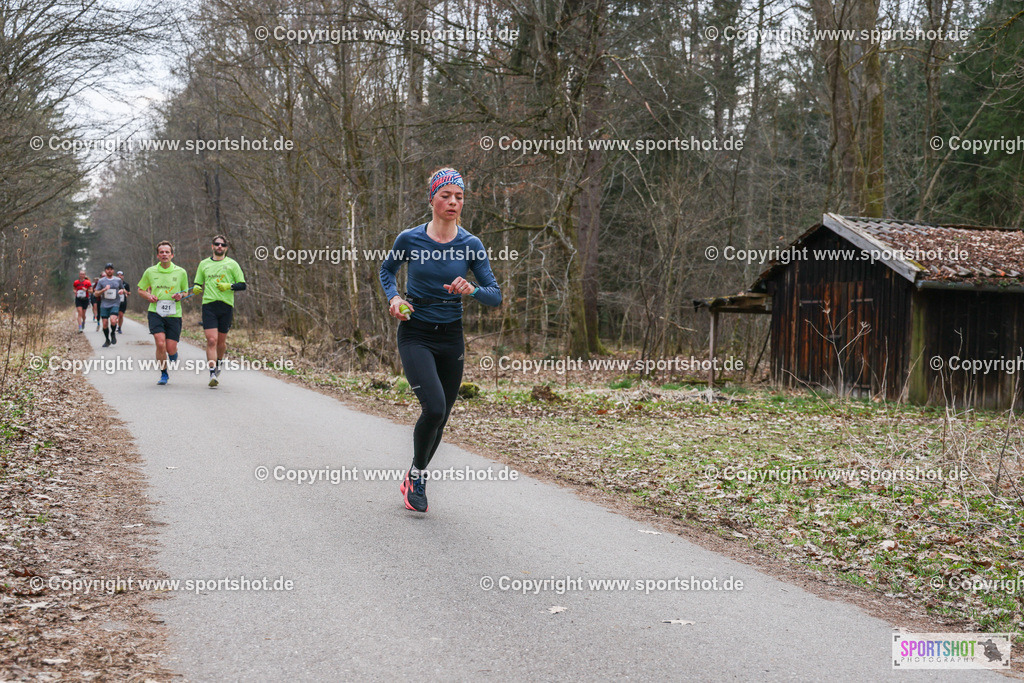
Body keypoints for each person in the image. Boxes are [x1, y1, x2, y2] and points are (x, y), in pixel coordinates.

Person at [379, 167, 502, 513]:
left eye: (459, 196)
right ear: (431, 198)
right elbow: (387, 270)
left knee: (442, 416)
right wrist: (394, 299)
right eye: (446, 195)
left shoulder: (471, 244)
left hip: (451, 338)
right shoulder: (410, 239)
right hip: (416, 333)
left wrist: (473, 288)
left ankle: (415, 474)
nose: (453, 202)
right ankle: (417, 477)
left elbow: (495, 295)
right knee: (432, 407)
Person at [193, 235, 246, 387]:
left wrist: (229, 286)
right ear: (212, 246)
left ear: (226, 248)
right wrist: (197, 288)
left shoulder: (232, 264)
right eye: (217, 244)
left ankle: (219, 362)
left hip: (226, 306)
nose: (219, 247)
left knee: (221, 343)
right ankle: (212, 373)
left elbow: (242, 284)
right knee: (211, 340)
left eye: (223, 245)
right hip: (209, 305)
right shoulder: (204, 264)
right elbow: (197, 283)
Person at [137, 241, 189, 385]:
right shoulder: (150, 271)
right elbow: (140, 289)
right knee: (160, 344)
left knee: (170, 348)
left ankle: (173, 356)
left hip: (174, 314)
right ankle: (164, 374)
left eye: (167, 252)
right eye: (162, 252)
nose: (164, 254)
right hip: (155, 312)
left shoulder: (181, 272)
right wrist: (149, 296)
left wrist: (181, 296)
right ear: (158, 256)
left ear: (172, 255)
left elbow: (186, 291)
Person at [94, 264, 123, 347]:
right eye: (107, 269)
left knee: (113, 321)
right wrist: (104, 289)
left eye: (111, 269)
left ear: (113, 270)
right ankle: (107, 339)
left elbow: (122, 288)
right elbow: (96, 294)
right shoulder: (101, 281)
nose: (109, 270)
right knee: (105, 323)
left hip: (115, 303)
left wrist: (121, 291)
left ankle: (113, 333)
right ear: (105, 270)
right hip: (104, 304)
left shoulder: (118, 280)